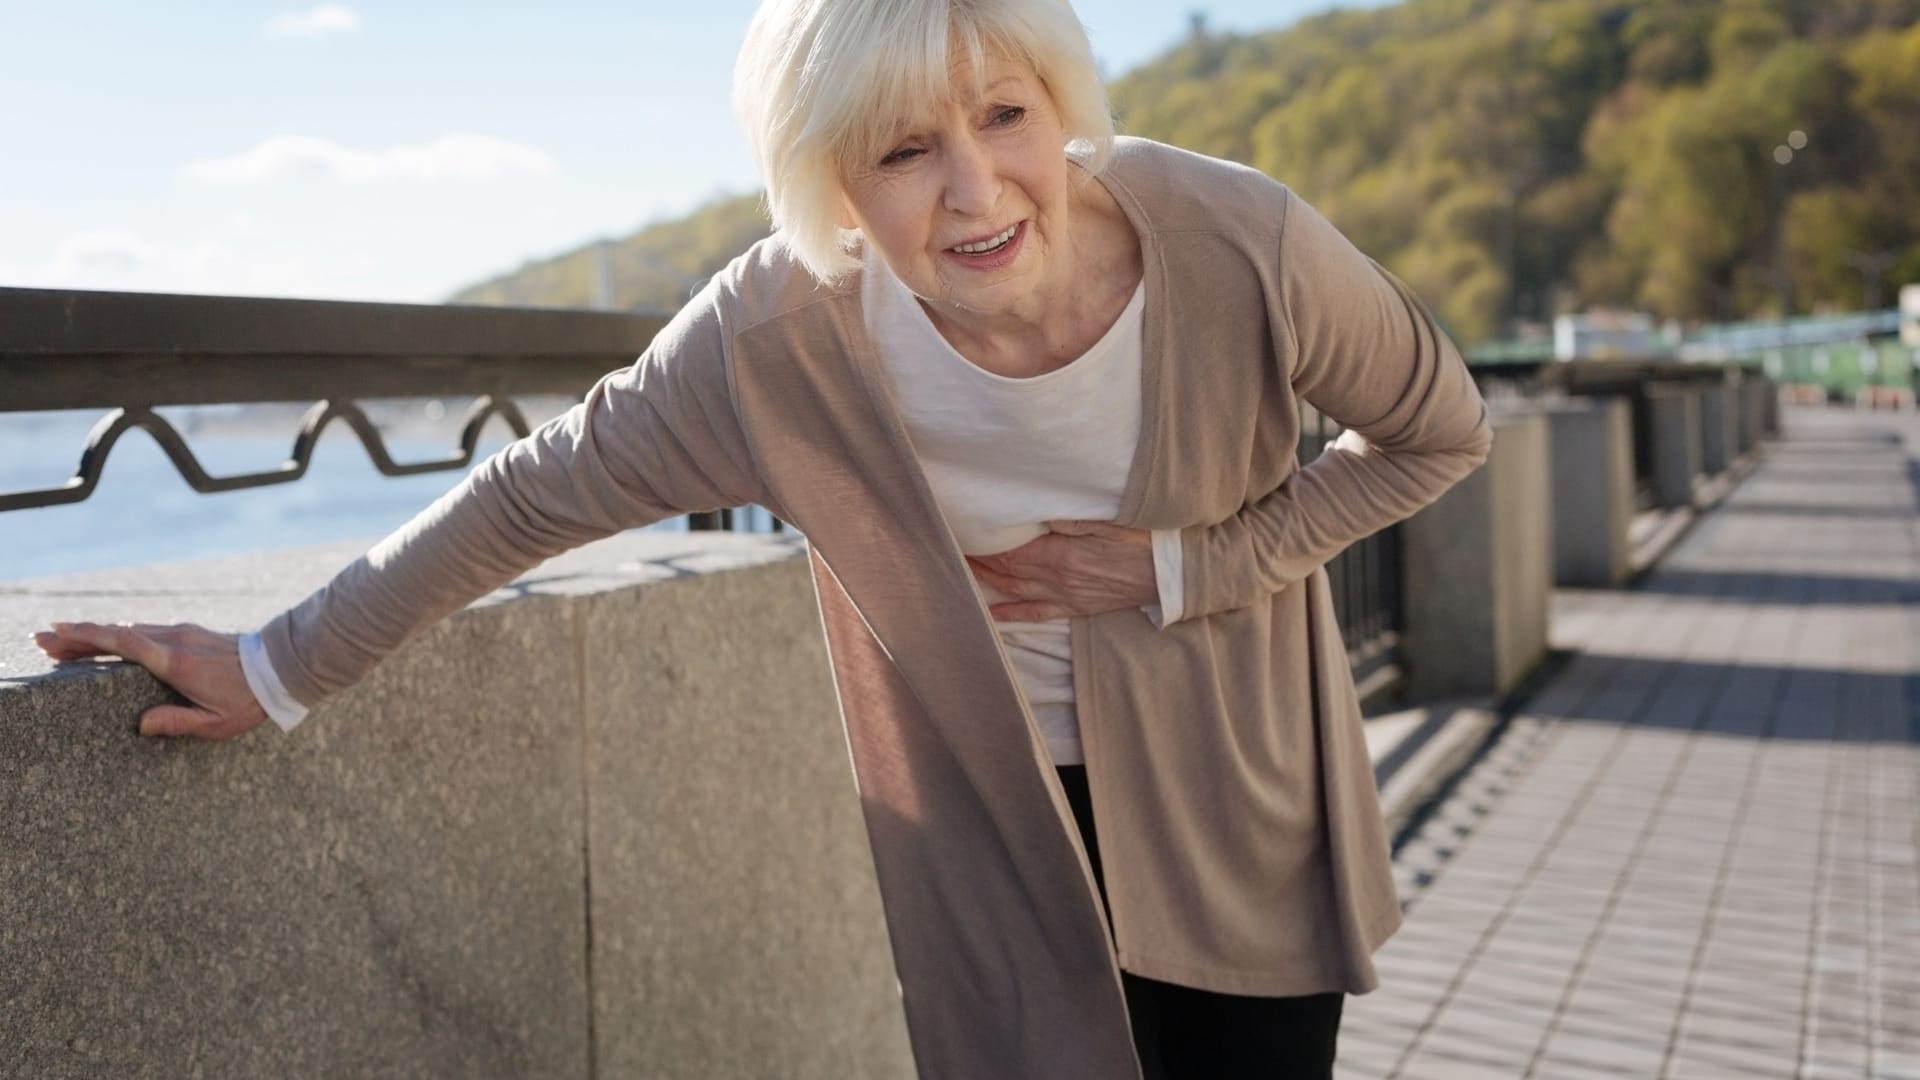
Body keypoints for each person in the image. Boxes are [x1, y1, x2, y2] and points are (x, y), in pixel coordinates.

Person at [35, 0, 1493, 1075]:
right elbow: (532, 490)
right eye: (904, 149)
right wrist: (274, 665)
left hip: (1235, 792)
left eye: (1005, 115)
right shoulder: (780, 336)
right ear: (832, 179)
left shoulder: (1238, 240)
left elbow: (1440, 431)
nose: (976, 190)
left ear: (1061, 100)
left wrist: (1176, 567)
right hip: (989, 826)